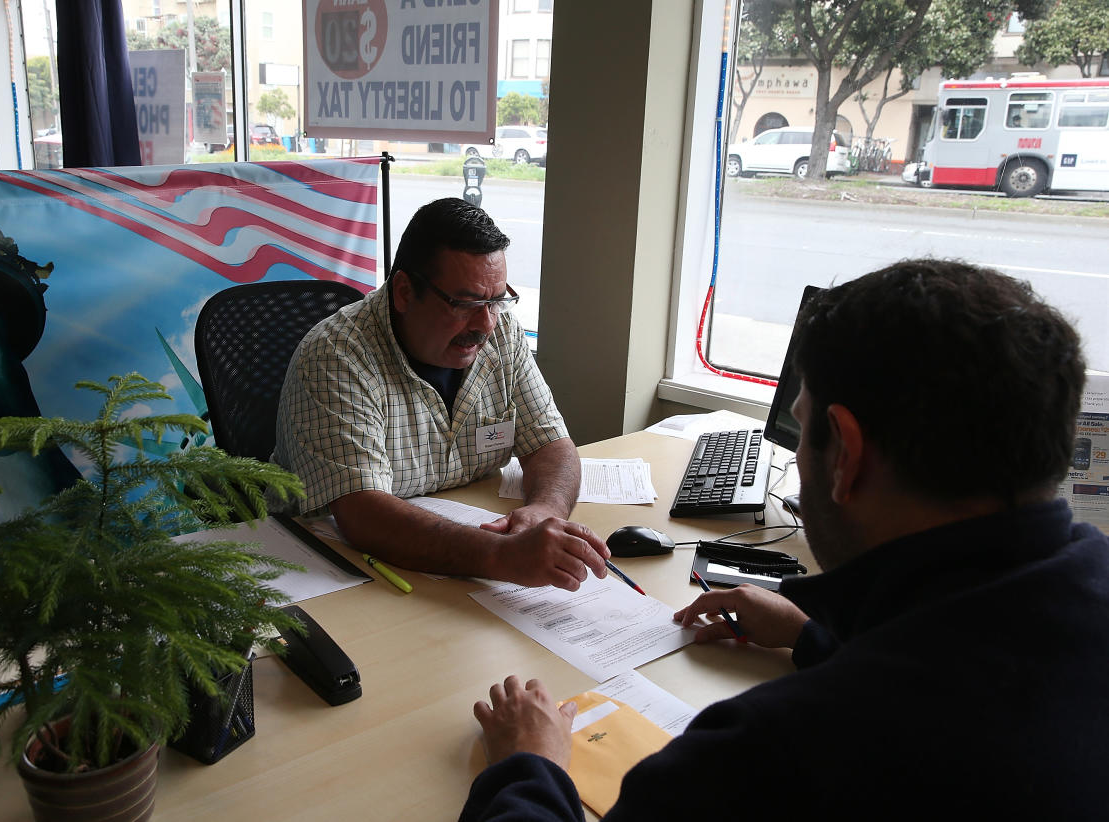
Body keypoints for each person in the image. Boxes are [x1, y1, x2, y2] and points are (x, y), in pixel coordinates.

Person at [459, 259, 1109, 819]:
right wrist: (812, 637)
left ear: (845, 454)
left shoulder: (782, 750)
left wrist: (529, 763)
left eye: (802, 431)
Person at [274, 198, 609, 591]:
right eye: (465, 303)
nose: (485, 323)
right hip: (330, 569)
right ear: (403, 291)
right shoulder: (337, 355)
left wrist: (544, 510)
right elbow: (362, 513)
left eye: (496, 300)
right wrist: (503, 556)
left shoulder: (502, 332)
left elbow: (551, 444)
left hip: (448, 555)